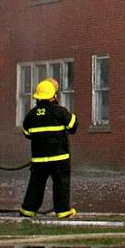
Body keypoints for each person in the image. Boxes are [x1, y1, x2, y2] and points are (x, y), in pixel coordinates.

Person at [20, 78, 78, 219]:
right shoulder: (60, 112)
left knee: (36, 185)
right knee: (61, 184)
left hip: (39, 159)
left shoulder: (31, 115)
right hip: (59, 158)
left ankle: (28, 210)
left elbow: (27, 134)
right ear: (54, 96)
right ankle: (63, 211)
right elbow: (73, 127)